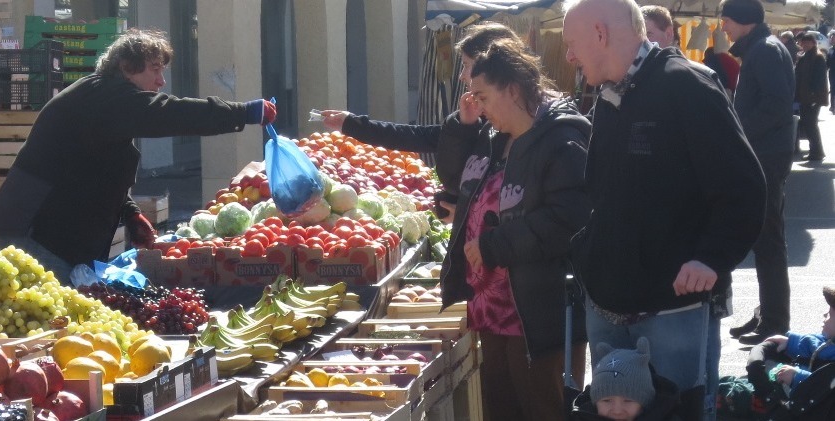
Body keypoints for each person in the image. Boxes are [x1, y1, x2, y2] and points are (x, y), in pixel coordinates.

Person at [562, 0, 766, 419]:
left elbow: (744, 187)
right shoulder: (609, 93)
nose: (569, 56)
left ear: (600, 34)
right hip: (607, 302)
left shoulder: (687, 85)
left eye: (571, 43)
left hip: (670, 311)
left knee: (677, 413)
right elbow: (602, 191)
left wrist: (713, 256)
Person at [0, 29, 276, 282]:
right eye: (154, 69)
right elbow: (171, 113)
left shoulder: (105, 100)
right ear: (125, 66)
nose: (161, 81)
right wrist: (243, 112)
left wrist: (130, 212)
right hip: (33, 239)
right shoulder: (104, 98)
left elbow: (95, 166)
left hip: (55, 237)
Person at [438, 39, 592, 420]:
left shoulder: (563, 139)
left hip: (538, 315)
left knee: (542, 408)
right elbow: (455, 177)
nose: (480, 107)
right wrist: (463, 127)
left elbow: (568, 218)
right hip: (492, 310)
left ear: (513, 90)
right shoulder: (495, 138)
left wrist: (494, 245)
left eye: (483, 96)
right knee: (499, 409)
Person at [318, 22, 525, 222]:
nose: (461, 76)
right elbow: (416, 137)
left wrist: (467, 214)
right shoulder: (472, 119)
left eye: (466, 65)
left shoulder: (523, 128)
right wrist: (351, 124)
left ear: (491, 67)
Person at [718, 0, 798, 346]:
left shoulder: (765, 50)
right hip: (766, 155)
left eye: (726, 20)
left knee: (768, 241)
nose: (723, 27)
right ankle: (770, 314)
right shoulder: (763, 48)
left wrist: (739, 133)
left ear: (743, 20)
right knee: (764, 241)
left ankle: (775, 320)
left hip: (766, 158)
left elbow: (776, 106)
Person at [743, 286, 835, 420]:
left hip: (815, 408)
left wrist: (796, 377)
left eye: (830, 314)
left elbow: (824, 388)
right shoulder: (828, 342)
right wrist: (789, 342)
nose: (824, 315)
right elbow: (814, 344)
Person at [571, 338, 684, 421]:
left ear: (645, 403)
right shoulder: (583, 416)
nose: (617, 411)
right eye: (606, 400)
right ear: (595, 403)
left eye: (628, 401)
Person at [794, 32, 829, 161]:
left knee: (811, 124)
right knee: (809, 124)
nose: (804, 45)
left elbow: (819, 79)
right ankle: (815, 151)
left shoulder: (817, 57)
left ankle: (817, 152)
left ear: (813, 43)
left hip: (813, 98)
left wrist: (814, 95)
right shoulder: (805, 57)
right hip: (805, 97)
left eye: (807, 43)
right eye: (803, 43)